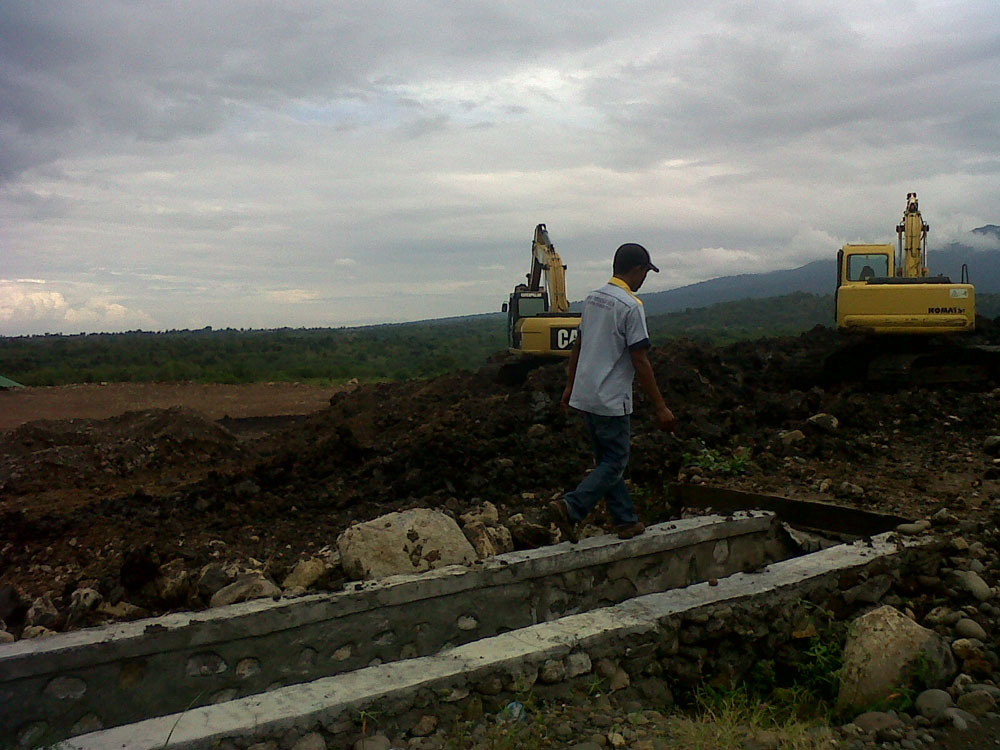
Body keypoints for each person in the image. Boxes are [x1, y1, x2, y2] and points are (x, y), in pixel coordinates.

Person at [548, 242, 677, 542]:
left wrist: (569, 386)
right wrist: (660, 407)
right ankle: (571, 506)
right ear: (636, 270)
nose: (645, 278)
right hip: (610, 399)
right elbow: (640, 358)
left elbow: (578, 345)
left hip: (586, 394)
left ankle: (626, 520)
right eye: (645, 271)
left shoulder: (593, 299)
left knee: (607, 461)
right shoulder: (631, 306)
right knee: (616, 461)